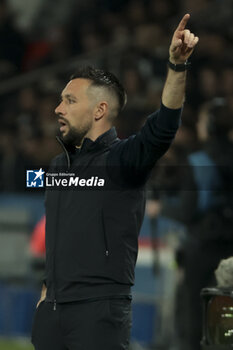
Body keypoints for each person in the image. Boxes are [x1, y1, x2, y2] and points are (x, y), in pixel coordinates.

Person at [31, 14, 199, 350]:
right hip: (51, 313)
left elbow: (163, 128)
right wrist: (45, 296)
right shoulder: (55, 168)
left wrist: (176, 67)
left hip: (98, 313)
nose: (57, 109)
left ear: (99, 110)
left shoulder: (123, 161)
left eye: (70, 100)